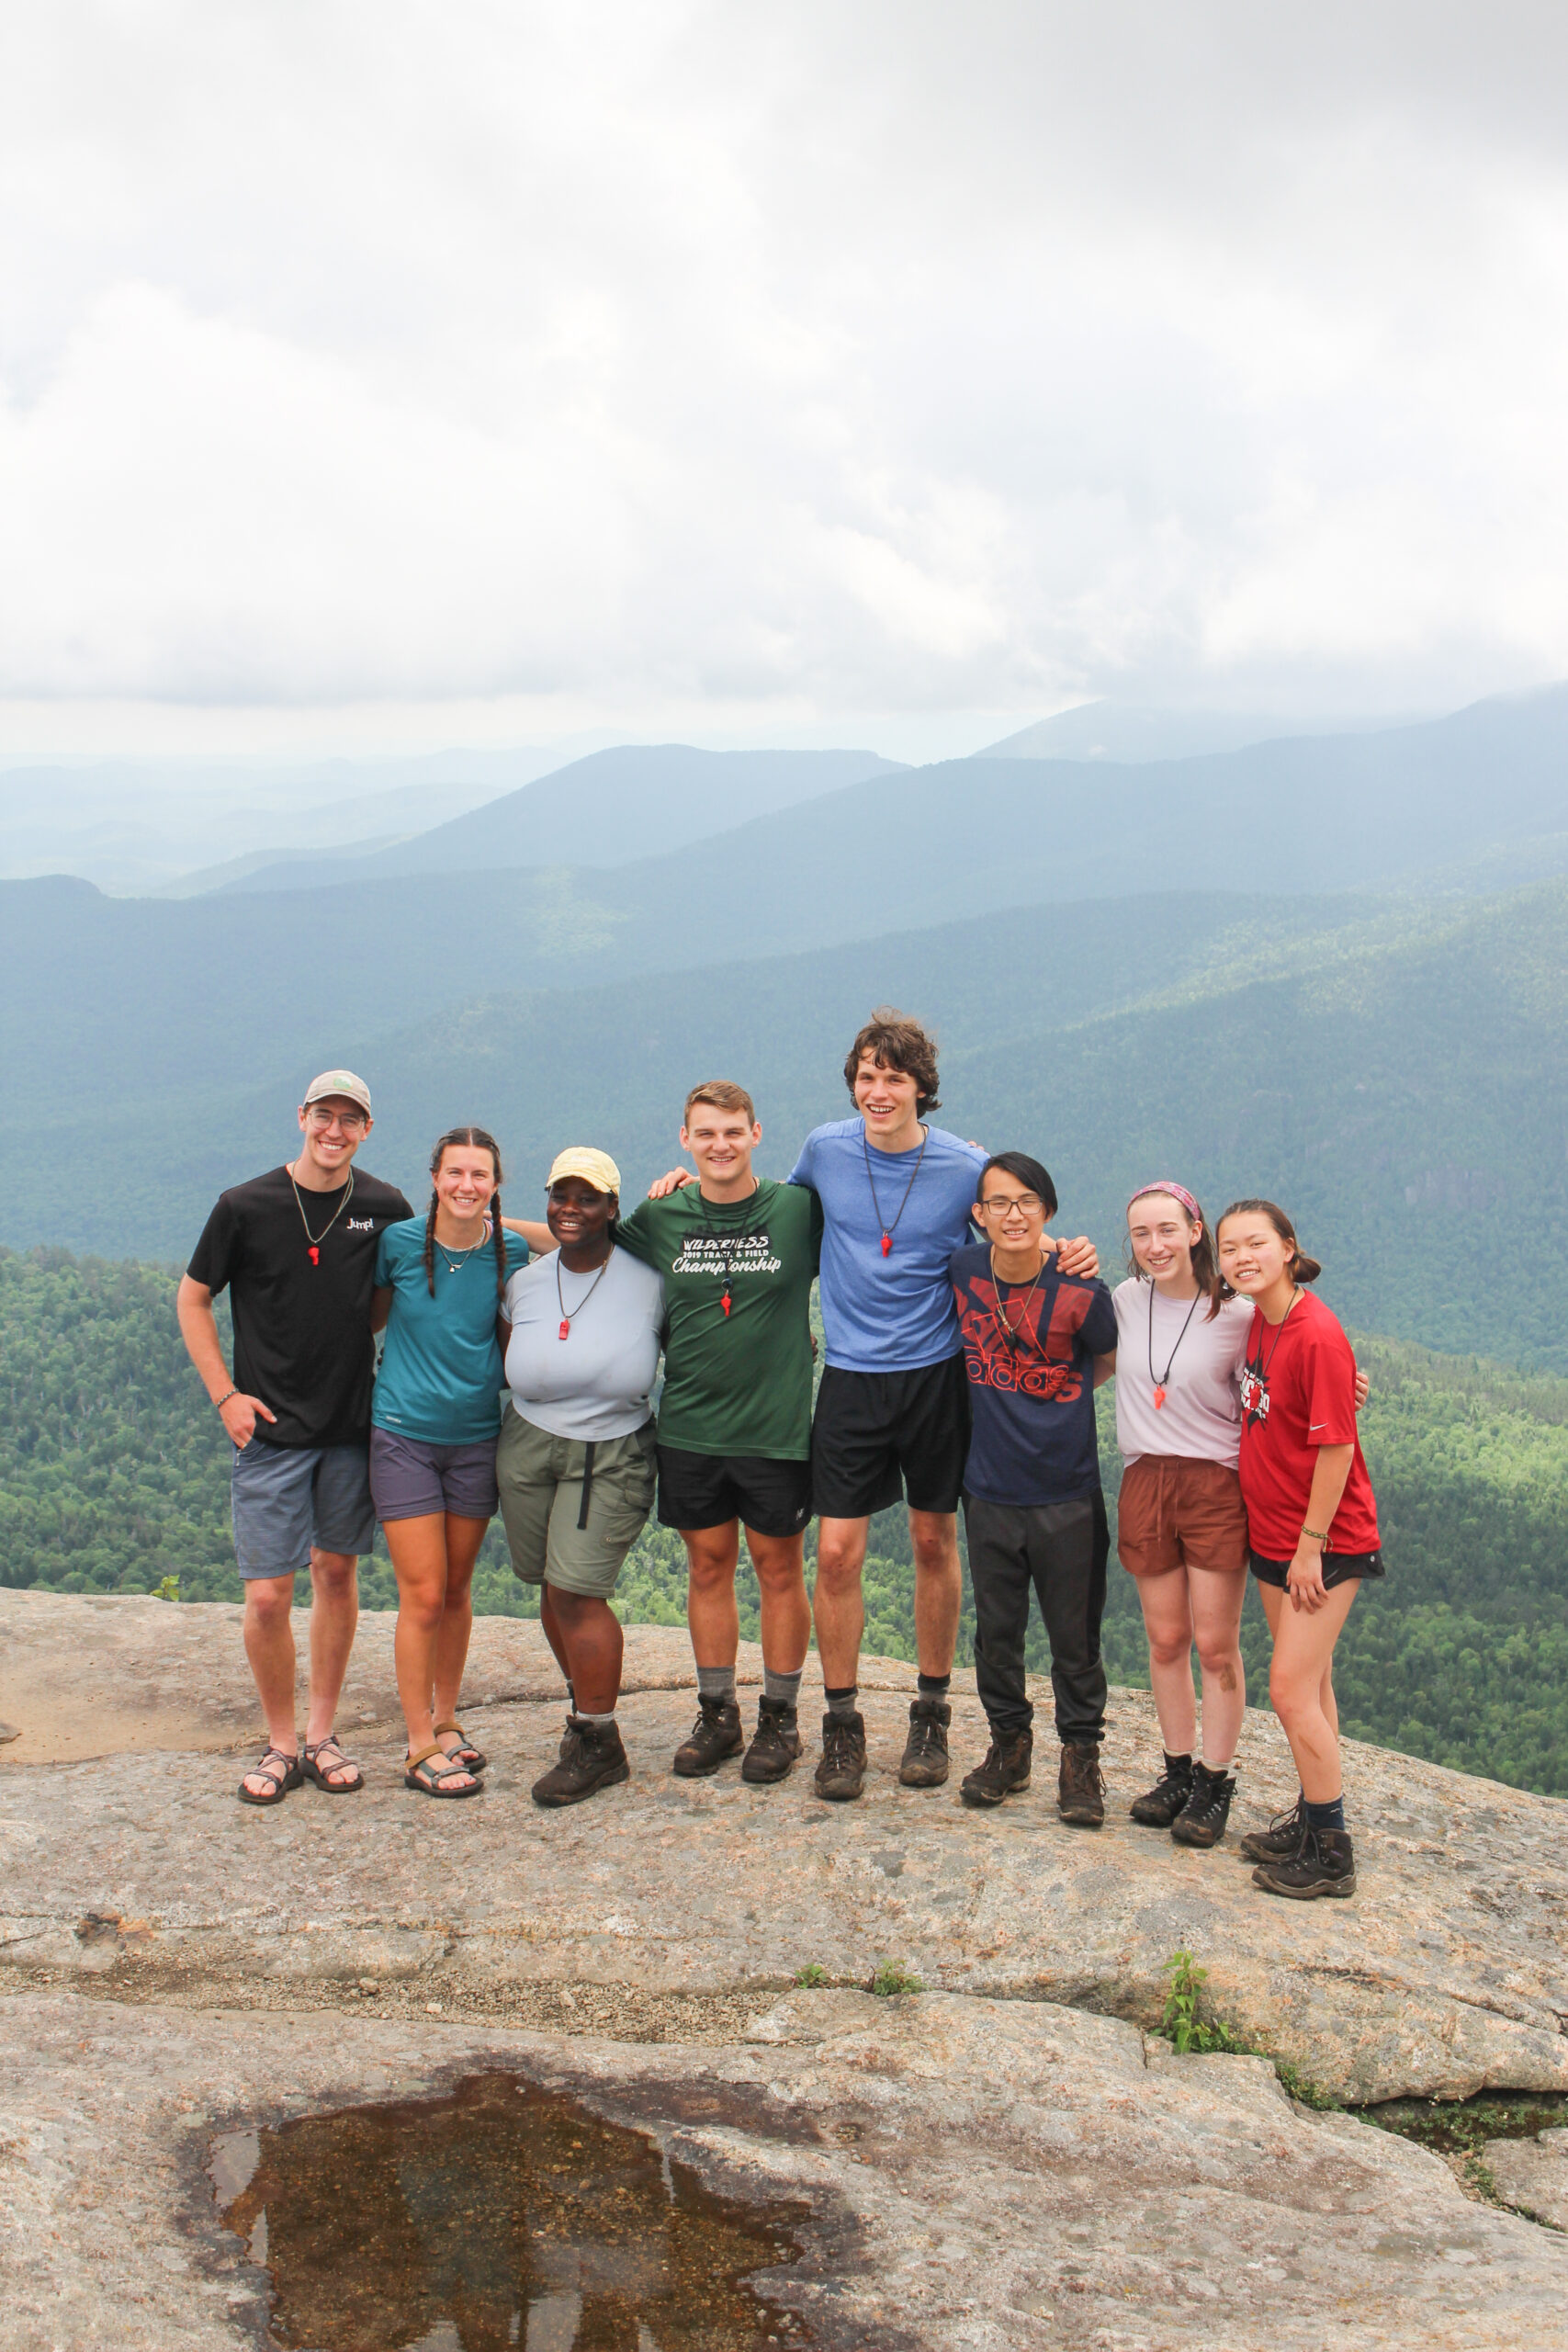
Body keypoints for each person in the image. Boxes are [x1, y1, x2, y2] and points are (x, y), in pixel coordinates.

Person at [176, 1070, 412, 1804]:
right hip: (269, 1431)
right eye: (323, 1116)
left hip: (347, 1425)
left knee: (336, 1575)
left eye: (350, 1119)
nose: (334, 1130)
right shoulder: (245, 1206)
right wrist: (225, 1395)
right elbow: (192, 1297)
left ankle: (320, 1732)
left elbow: (381, 1304)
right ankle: (280, 1741)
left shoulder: (383, 1206)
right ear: (301, 1118)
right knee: (270, 1595)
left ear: (366, 1128)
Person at [619, 1084, 822, 1787]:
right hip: (691, 1427)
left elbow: (887, 1229)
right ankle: (717, 1713)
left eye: (732, 1132)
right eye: (705, 1134)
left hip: (775, 1430)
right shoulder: (661, 1214)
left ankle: (780, 1718)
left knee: (777, 1570)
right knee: (706, 1567)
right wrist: (484, 1225)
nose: (719, 1145)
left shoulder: (798, 1209)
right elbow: (583, 1244)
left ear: (756, 1133)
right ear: (684, 1139)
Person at [370, 1127, 544, 1797]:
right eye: (455, 1174)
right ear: (434, 1176)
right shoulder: (400, 1244)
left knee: (456, 1590)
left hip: (475, 1438)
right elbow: (373, 1320)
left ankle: (446, 1719)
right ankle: (417, 1744)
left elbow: (582, 1237)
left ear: (496, 1185)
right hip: (404, 1435)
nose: (465, 1186)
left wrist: (499, 1219)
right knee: (421, 1593)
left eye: (480, 1176)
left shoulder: (511, 1250)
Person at [1215, 1199, 1382, 1899]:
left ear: (1288, 1248)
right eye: (1229, 1249)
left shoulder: (1314, 1333)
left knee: (1286, 1688)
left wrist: (1309, 1548)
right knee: (1310, 1686)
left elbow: (1337, 1446)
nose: (1241, 1257)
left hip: (1322, 1544)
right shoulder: (1263, 1319)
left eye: (1255, 1244)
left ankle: (1332, 1853)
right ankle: (1315, 1819)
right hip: (1273, 1534)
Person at [949, 1153, 1119, 1823]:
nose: (1012, 1214)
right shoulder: (962, 1270)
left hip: (1065, 1491)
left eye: (1027, 1202)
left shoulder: (1084, 1291)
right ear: (978, 1215)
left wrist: (1059, 1401)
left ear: (1047, 1211)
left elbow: (1106, 1358)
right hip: (988, 1487)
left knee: (1074, 1640)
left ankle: (1080, 1762)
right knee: (997, 1633)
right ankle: (1008, 1747)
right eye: (998, 1203)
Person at [496, 1148, 664, 1806]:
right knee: (545, 1581)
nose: (571, 1208)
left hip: (609, 1447)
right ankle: (583, 1715)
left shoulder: (649, 1279)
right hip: (527, 1442)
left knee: (576, 1591)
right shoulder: (528, 1281)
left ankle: (599, 1741)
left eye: (587, 1198)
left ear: (613, 1208)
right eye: (560, 1195)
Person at [1109, 1183, 1255, 1848]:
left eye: (1167, 1230)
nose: (1154, 1245)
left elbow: (1293, 1361)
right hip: (1144, 1477)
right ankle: (1175, 1770)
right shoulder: (1123, 1300)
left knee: (1215, 1645)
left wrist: (1347, 1382)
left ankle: (1214, 1781)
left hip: (1213, 1485)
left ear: (1195, 1231)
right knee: (1165, 1641)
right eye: (1141, 1234)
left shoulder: (1238, 1313)